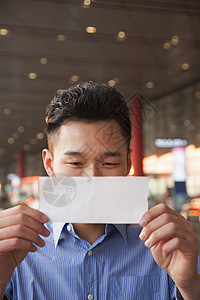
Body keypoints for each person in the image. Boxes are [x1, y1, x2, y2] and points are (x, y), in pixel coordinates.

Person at [0, 82, 199, 300]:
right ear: (49, 164)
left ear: (128, 164)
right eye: (75, 163)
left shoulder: (165, 242)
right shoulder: (17, 247)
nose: (91, 177)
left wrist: (191, 286)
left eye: (109, 163)